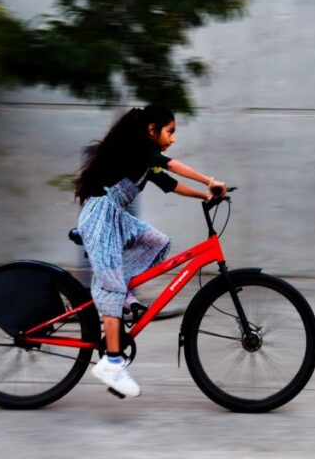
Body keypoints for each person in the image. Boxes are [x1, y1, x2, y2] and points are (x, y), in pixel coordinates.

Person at [74, 104, 226, 398]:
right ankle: (112, 364)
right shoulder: (139, 149)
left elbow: (171, 184)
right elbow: (171, 165)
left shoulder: (146, 161)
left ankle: (119, 292)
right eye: (170, 132)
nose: (173, 138)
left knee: (157, 242)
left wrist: (205, 196)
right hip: (99, 218)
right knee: (112, 286)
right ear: (152, 130)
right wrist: (209, 180)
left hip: (114, 217)